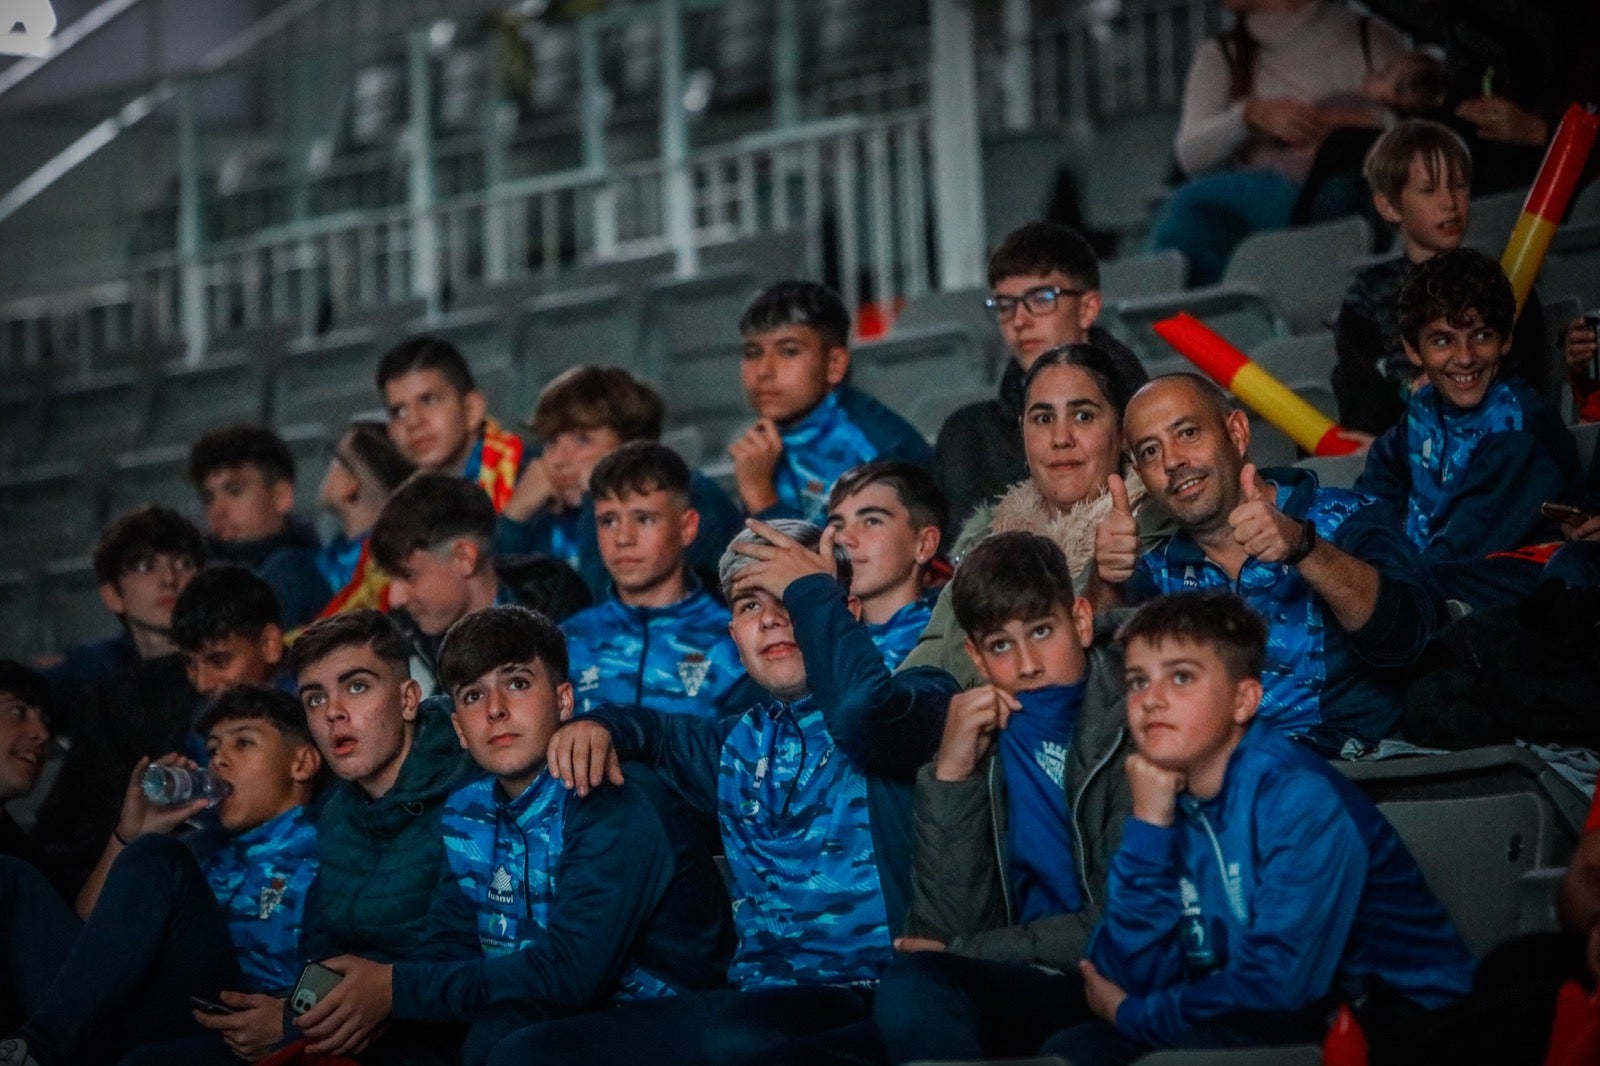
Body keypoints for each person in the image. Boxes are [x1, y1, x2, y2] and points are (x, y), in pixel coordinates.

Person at [493, 520, 959, 1066]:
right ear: (734, 637)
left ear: (843, 611)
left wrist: (816, 598)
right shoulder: (735, 740)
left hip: (879, 996)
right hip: (758, 999)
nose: (772, 619)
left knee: (741, 1044)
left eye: (791, 595)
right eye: (749, 606)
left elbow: (864, 716)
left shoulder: (922, 697)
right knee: (526, 1054)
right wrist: (598, 725)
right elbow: (657, 732)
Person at [1037, 591, 1473, 1064]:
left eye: (1181, 677)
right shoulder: (1159, 799)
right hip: (1263, 1015)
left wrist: (1134, 1016)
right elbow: (1122, 974)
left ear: (1244, 700)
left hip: (1405, 1024)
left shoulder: (1298, 798)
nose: (1151, 700)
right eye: (1138, 681)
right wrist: (1148, 830)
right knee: (1070, 1051)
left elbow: (1279, 985)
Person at [318, 605, 733, 1066]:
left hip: (677, 1016)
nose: (495, 710)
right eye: (473, 696)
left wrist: (394, 988)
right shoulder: (467, 809)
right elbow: (451, 944)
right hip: (552, 1014)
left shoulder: (610, 794)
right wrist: (356, 1002)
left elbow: (571, 972)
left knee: (508, 1046)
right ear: (459, 728)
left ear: (564, 701)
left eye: (517, 683)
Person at [873, 532, 1132, 1063]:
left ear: (1081, 621)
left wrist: (969, 953)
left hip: (1114, 981)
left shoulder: (1135, 717)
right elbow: (943, 930)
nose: (1029, 663)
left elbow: (1124, 920)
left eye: (1042, 631)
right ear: (975, 655)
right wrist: (951, 776)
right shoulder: (981, 741)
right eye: (1000, 645)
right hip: (1018, 985)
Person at [1092, 374, 1440, 757]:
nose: (1173, 460)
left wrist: (1304, 549)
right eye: (1150, 452)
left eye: (1188, 433)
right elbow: (1099, 690)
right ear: (1140, 476)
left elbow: (1412, 638)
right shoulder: (1157, 572)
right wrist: (1107, 575)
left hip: (1361, 776)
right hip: (1221, 790)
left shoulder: (1347, 518)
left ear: (1238, 432)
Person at [1, 685, 322, 1066]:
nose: (218, 761)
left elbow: (361, 950)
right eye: (214, 748)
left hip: (242, 1019)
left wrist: (293, 1018)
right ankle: (36, 1046)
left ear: (301, 764)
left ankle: (33, 1049)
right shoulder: (202, 854)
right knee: (12, 877)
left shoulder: (328, 846)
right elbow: (88, 940)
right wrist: (129, 836)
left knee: (159, 855)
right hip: (150, 1005)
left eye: (244, 743)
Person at [275, 610, 478, 1063]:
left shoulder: (474, 788)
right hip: (356, 1029)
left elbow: (472, 952)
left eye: (357, 686)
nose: (333, 713)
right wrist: (294, 1016)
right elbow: (321, 945)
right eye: (314, 699)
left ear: (408, 700)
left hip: (445, 1034)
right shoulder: (335, 813)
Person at [902, 344, 1168, 688]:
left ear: (1121, 434)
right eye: (1043, 419)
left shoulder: (1156, 526)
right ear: (1023, 435)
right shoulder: (987, 548)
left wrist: (1110, 582)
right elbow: (917, 688)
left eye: (1083, 416)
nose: (1060, 438)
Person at [1354, 248, 1581, 609]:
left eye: (1482, 335)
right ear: (1414, 351)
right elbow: (1369, 504)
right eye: (1443, 340)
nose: (1464, 357)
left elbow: (1459, 551)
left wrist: (1368, 581)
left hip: (1502, 610)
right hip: (1425, 587)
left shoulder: (1519, 428)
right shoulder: (1422, 411)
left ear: (1506, 340)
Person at [1151, 0, 1406, 285]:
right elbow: (1190, 154)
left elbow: (1419, 125)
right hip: (1271, 198)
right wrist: (1249, 116)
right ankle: (1169, 320)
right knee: (1191, 219)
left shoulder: (1371, 37)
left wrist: (1354, 126)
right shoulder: (1221, 55)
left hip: (1352, 191)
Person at [1332, 120, 1549, 435]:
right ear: (1388, 205)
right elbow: (1362, 408)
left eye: (1459, 185)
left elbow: (1528, 385)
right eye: (1429, 190)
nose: (1449, 203)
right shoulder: (1367, 297)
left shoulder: (1501, 285)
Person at [33, 507, 205, 894]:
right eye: (144, 567)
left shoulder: (228, 678)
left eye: (183, 563)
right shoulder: (103, 700)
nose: (169, 579)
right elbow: (62, 823)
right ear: (113, 595)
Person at [933, 222, 1147, 534]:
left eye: (1042, 298)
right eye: (1005, 306)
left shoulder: (1143, 411)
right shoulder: (968, 437)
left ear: (1088, 309)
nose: (1019, 320)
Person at [496, 366, 741, 601]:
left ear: (631, 444)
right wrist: (514, 517)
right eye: (551, 442)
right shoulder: (546, 518)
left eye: (583, 440)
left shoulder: (690, 497)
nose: (558, 460)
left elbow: (606, 605)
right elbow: (494, 605)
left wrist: (597, 496)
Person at [560, 442, 757, 720]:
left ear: (687, 528)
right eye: (608, 521)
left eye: (644, 519)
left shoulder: (734, 645)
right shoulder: (566, 643)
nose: (623, 538)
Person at [729, 281, 932, 524]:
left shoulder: (876, 450)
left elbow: (858, 560)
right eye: (753, 353)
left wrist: (760, 495)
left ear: (834, 364)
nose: (763, 370)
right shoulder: (760, 442)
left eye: (789, 351)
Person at [371, 472, 521, 671]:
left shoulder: (562, 628)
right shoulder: (398, 656)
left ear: (464, 558)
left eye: (408, 576)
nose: (395, 599)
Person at [188, 423, 331, 628]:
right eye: (209, 498)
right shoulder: (190, 581)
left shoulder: (327, 569)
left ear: (281, 496)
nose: (217, 510)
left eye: (234, 492)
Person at [377, 335, 531, 511]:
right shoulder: (400, 511)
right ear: (391, 432)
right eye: (399, 412)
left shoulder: (531, 479)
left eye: (429, 400)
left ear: (471, 410)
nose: (412, 422)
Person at [825, 461, 946, 670]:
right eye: (837, 525)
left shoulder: (951, 641)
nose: (843, 538)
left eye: (872, 521)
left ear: (924, 545)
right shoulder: (820, 642)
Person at [315, 419, 416, 618]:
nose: (328, 469)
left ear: (350, 485)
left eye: (335, 460)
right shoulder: (335, 551)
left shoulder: (373, 567)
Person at [170, 566, 289, 700]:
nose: (203, 684)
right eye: (191, 664)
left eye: (220, 661)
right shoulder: (208, 713)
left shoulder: (307, 707)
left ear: (268, 643)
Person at [0, 663, 52, 869]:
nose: (43, 734)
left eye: (45, 720)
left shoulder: (23, 853)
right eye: (16, 712)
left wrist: (124, 838)